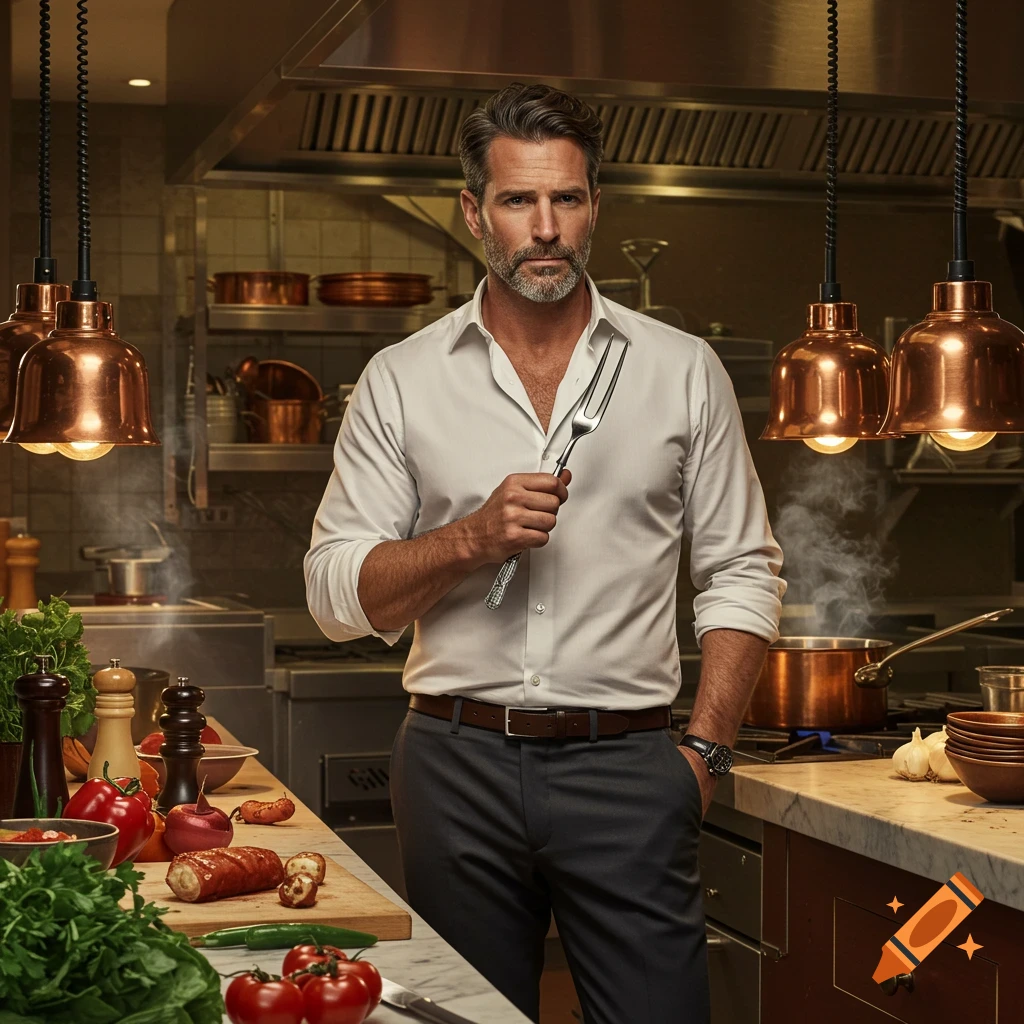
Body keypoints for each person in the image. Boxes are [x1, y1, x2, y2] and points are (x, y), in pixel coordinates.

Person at [305, 81, 785, 1024]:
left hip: (632, 765)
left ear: (595, 207)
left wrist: (705, 755)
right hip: (455, 765)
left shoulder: (682, 369)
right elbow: (333, 594)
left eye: (566, 199)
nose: (546, 228)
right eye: (520, 201)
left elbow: (741, 570)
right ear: (474, 210)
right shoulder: (401, 380)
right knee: (467, 1021)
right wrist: (469, 539)